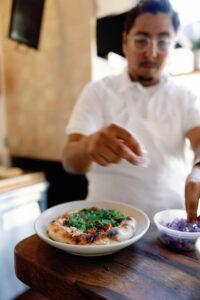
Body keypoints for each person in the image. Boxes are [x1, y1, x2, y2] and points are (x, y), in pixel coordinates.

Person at [62, 0, 200, 221]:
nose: (151, 52)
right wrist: (89, 146)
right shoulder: (98, 91)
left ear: (172, 45)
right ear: (125, 42)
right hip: (101, 226)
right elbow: (69, 160)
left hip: (166, 227)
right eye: (142, 39)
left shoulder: (185, 95)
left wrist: (198, 168)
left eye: (163, 41)